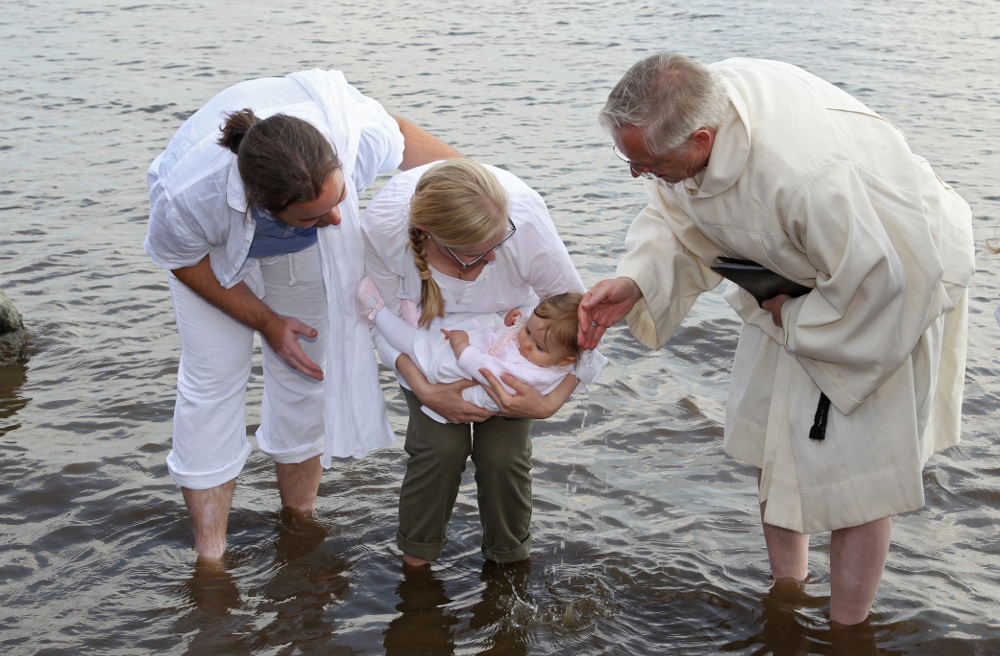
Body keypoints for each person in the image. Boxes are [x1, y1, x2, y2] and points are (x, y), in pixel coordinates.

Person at [578, 54, 974, 626]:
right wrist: (635, 281)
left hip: (893, 284)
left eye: (648, 162)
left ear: (702, 138)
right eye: (627, 157)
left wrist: (801, 320)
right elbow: (674, 215)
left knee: (856, 473)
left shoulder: (808, 172)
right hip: (784, 280)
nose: (637, 173)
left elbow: (886, 281)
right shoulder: (687, 114)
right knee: (770, 435)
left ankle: (847, 626)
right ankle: (786, 591)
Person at [144, 69, 460, 562]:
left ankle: (300, 518)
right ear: (262, 206)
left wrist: (491, 194)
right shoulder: (189, 195)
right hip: (209, 252)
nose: (338, 220)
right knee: (213, 380)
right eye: (315, 216)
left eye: (339, 201)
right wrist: (267, 321)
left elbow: (434, 161)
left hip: (302, 251)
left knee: (306, 371)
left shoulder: (354, 134)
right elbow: (183, 260)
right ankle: (211, 555)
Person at [362, 158, 601, 567]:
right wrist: (426, 390)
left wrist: (549, 403)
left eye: (498, 243)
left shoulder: (525, 226)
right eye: (477, 254)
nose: (493, 259)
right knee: (438, 450)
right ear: (429, 237)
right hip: (425, 347)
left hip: (517, 346)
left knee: (503, 458)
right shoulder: (385, 230)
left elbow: (585, 330)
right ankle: (416, 565)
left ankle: (509, 562)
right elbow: (377, 323)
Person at [357, 286, 603, 422]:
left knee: (417, 347)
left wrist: (461, 348)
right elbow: (534, 330)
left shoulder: (531, 375)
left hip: (461, 378)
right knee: (441, 336)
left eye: (538, 347)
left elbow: (486, 371)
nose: (526, 343)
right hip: (479, 359)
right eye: (527, 332)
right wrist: (519, 322)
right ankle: (413, 323)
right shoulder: (553, 353)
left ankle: (376, 313)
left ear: (566, 360)